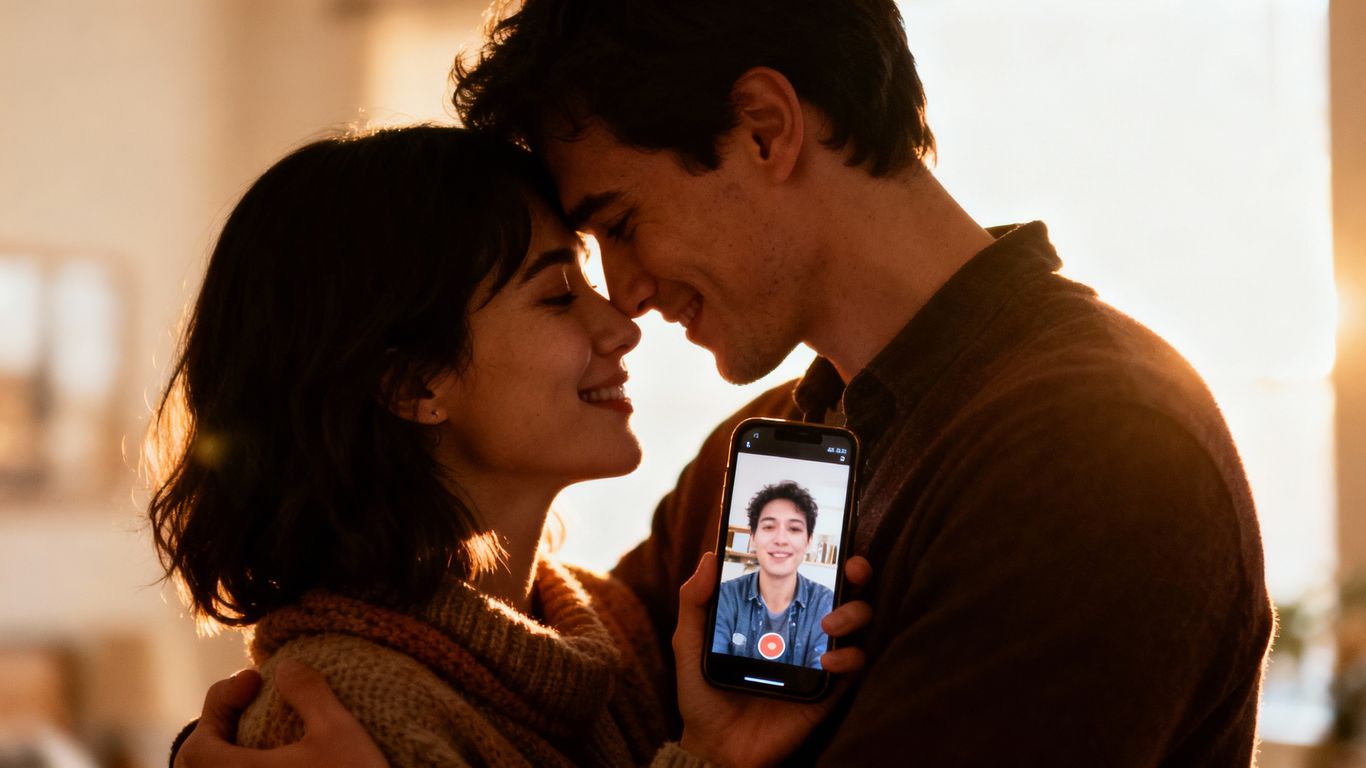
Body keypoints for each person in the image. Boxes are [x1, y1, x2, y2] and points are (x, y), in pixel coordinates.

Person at [180, 0, 1275, 764]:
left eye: (619, 219)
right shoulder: (769, 445)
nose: (630, 294)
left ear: (764, 129)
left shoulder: (1094, 450)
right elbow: (543, 681)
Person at [147, 125, 873, 768]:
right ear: (411, 386)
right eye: (559, 295)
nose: (624, 326)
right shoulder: (331, 712)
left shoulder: (612, 633)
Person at [713, 482, 834, 670]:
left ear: (808, 541)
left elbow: (820, 668)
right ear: (753, 537)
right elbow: (717, 666)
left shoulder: (825, 602)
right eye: (769, 527)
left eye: (794, 529)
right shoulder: (725, 596)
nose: (780, 540)